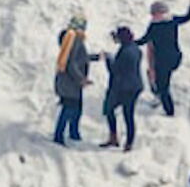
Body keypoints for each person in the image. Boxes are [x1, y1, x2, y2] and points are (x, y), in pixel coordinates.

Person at [137, 0, 190, 116]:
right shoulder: (172, 20)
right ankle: (160, 97)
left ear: (160, 12)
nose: (153, 16)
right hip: (175, 57)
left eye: (154, 13)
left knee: (162, 85)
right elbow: (187, 17)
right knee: (159, 81)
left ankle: (169, 110)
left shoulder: (154, 26)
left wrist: (127, 42)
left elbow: (143, 40)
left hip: (163, 61)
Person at [98, 26, 145, 151]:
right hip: (134, 86)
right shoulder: (135, 49)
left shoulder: (125, 52)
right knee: (128, 115)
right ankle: (128, 143)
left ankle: (115, 138)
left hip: (123, 88)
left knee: (110, 109)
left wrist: (108, 60)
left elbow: (115, 70)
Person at [53, 12, 92, 145]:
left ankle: (73, 133)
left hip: (67, 81)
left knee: (75, 107)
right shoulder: (75, 39)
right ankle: (59, 135)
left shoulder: (69, 38)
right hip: (71, 82)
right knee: (69, 108)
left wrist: (97, 57)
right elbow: (72, 62)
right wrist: (81, 79)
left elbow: (80, 58)